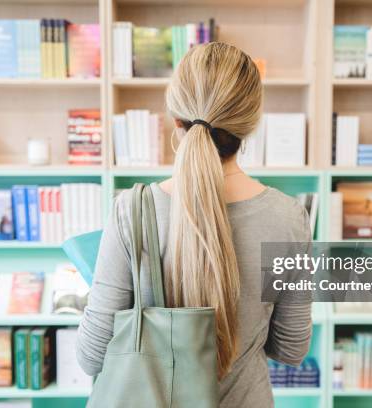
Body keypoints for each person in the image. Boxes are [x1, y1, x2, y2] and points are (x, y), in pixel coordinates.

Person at [77, 42, 312, 407]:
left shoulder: (132, 211)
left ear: (175, 118)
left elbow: (91, 356)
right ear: (250, 125)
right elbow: (292, 348)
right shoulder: (288, 218)